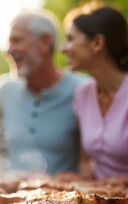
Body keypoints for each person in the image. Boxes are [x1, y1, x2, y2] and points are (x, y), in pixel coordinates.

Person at [0, 10, 87, 175]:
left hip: (64, 197)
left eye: (16, 40)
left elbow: (90, 162)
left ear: (44, 42)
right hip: (10, 198)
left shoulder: (82, 89)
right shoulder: (5, 89)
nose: (8, 50)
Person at [60, 2, 128, 179]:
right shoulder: (82, 93)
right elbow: (85, 161)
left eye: (70, 39)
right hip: (102, 201)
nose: (63, 48)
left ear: (97, 43)